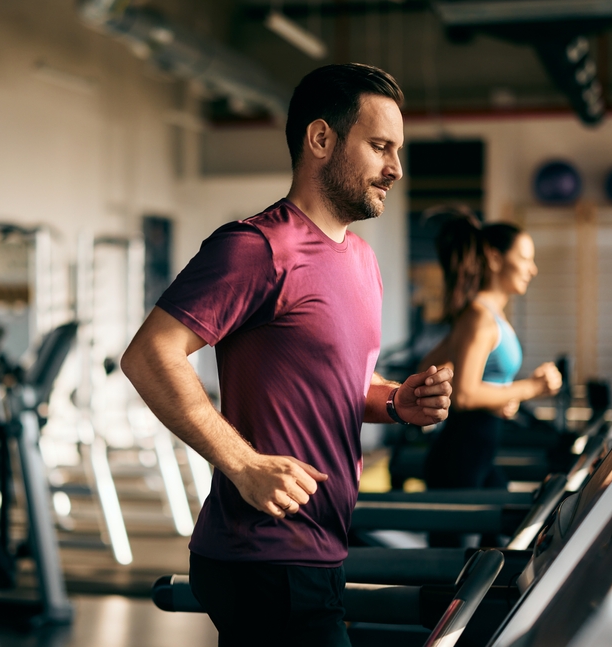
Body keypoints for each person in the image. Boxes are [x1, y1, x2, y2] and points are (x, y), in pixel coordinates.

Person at [120, 63, 453, 647]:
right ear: (321, 139)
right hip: (263, 556)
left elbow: (344, 379)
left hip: (320, 547)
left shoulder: (361, 260)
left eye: (396, 151)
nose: (395, 169)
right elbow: (151, 354)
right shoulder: (257, 247)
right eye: (379, 147)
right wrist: (244, 464)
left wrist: (397, 401)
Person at [421, 215, 562, 503]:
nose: (532, 269)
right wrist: (532, 388)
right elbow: (465, 395)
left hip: (476, 453)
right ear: (495, 259)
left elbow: (433, 366)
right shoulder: (479, 318)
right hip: (460, 458)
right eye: (524, 258)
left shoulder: (484, 315)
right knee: (467, 546)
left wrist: (499, 398)